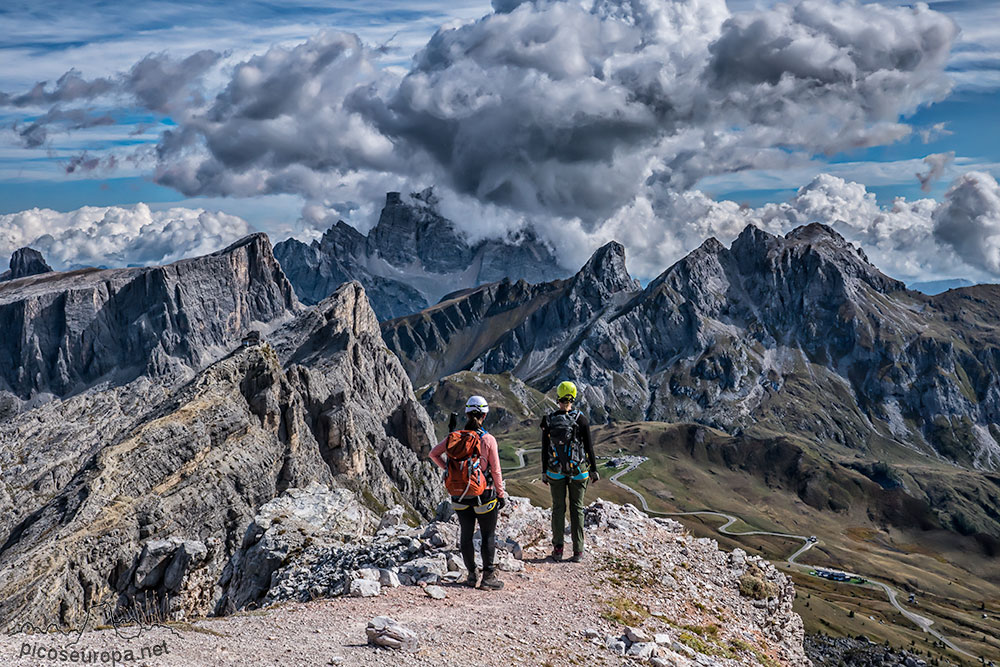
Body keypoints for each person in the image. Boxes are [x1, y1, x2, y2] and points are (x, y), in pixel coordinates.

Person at [430, 395, 507, 590]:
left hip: (459, 495)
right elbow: (496, 470)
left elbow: (433, 454)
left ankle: (472, 575)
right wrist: (501, 494)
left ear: (466, 413)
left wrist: (448, 469)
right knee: (488, 535)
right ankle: (488, 578)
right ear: (484, 415)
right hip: (484, 495)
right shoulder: (488, 439)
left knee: (466, 534)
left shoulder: (453, 437)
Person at [541, 381, 598, 563]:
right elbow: (589, 447)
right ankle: (578, 551)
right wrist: (594, 469)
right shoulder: (581, 419)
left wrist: (544, 471)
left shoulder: (548, 420)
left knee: (558, 508)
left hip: (555, 471)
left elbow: (544, 448)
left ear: (557, 397)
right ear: (574, 397)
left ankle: (557, 550)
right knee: (577, 508)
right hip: (578, 471)